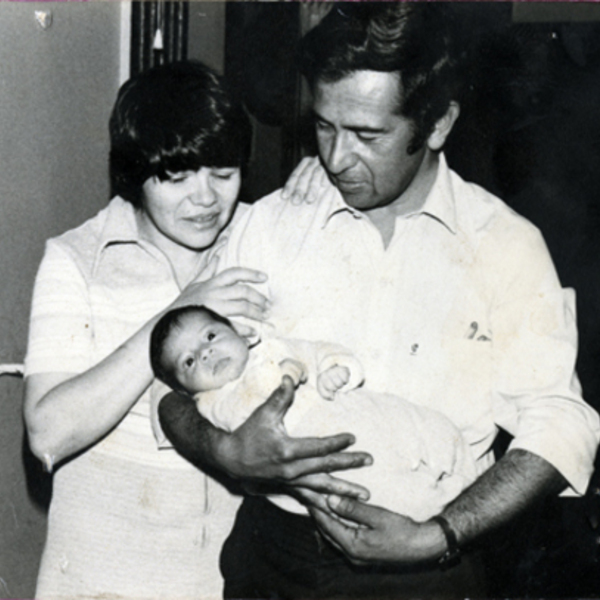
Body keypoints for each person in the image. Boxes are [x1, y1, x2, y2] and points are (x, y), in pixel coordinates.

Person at [158, 4, 600, 598]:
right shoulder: (271, 224)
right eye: (324, 127)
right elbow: (172, 391)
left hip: (428, 567)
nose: (336, 159)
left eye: (367, 136)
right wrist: (227, 450)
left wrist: (440, 534)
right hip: (273, 559)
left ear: (437, 124)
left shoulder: (504, 245)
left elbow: (561, 424)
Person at [22, 60, 370, 599]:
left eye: (223, 173)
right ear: (136, 172)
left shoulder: (261, 237)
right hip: (100, 582)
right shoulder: (77, 260)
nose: (205, 199)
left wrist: (329, 180)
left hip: (227, 583)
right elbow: (47, 435)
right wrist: (176, 315)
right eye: (178, 177)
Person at [150, 304, 478, 521]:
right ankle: (441, 501)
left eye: (210, 336)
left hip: (360, 409)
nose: (205, 352)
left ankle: (468, 478)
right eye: (188, 361)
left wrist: (336, 368)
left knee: (431, 428)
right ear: (185, 389)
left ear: (238, 332)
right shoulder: (212, 405)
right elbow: (244, 449)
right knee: (395, 498)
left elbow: (318, 351)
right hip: (334, 461)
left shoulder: (273, 347)